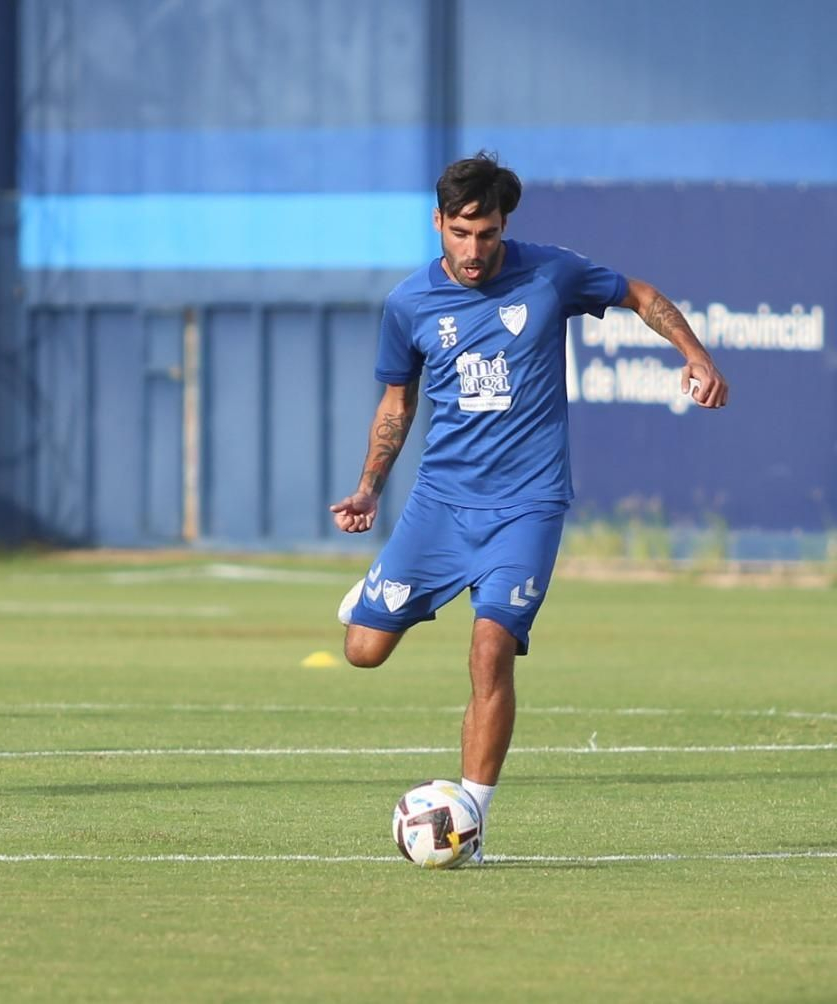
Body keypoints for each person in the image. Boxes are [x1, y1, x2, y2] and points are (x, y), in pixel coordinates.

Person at [330, 151, 728, 862]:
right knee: (362, 652)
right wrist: (368, 490)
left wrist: (693, 354)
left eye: (485, 234)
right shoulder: (409, 305)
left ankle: (471, 823)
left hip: (529, 505)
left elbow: (639, 294)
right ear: (438, 224)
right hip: (440, 505)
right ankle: (376, 589)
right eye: (459, 233)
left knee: (490, 651)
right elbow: (397, 404)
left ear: (504, 225)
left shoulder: (551, 274)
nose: (473, 249)